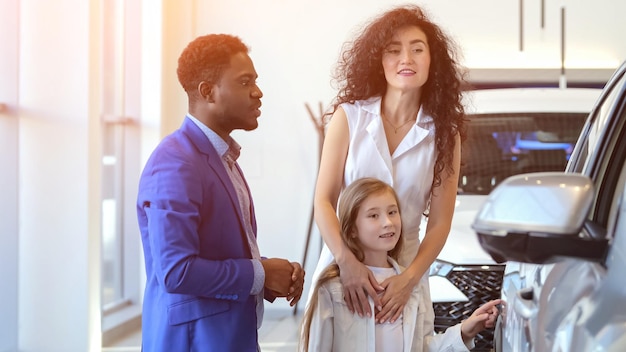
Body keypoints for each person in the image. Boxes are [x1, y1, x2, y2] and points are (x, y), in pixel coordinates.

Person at [136, 34, 305, 352]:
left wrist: (272, 275)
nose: (258, 92)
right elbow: (176, 271)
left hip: (227, 337)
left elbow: (216, 252)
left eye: (255, 81)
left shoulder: (222, 158)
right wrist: (260, 273)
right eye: (245, 82)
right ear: (207, 92)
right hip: (194, 342)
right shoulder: (175, 162)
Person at [311, 4, 466, 324]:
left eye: (417, 49)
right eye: (393, 50)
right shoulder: (349, 118)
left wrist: (408, 280)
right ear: (378, 61)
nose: (406, 59)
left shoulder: (444, 135)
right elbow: (323, 200)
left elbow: (439, 223)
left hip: (405, 275)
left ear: (431, 61)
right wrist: (347, 262)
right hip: (344, 271)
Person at [301, 178, 500, 352]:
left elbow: (423, 347)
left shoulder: (411, 286)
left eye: (392, 212)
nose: (388, 222)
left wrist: (465, 331)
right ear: (352, 228)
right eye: (373, 215)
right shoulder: (331, 288)